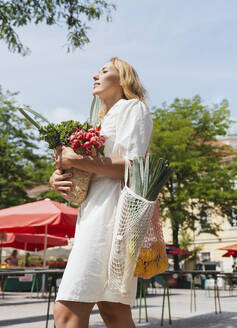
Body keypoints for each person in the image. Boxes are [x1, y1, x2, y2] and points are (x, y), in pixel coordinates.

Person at [50, 57, 152, 328]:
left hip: (112, 216)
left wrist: (76, 161)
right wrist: (60, 177)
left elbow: (133, 167)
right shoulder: (103, 121)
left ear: (122, 80)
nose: (95, 76)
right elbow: (91, 171)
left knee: (67, 311)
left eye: (104, 72)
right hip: (94, 213)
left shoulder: (133, 108)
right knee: (113, 310)